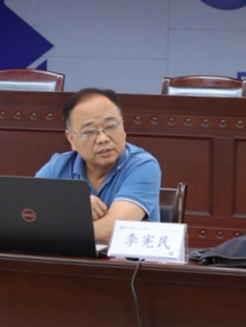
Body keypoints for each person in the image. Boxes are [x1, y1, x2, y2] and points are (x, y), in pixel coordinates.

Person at [36, 88, 161, 243]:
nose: (103, 139)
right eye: (89, 132)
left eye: (110, 126)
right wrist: (74, 207)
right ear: (71, 139)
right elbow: (28, 216)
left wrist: (63, 219)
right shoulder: (58, 167)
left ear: (123, 127)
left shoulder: (143, 166)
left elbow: (111, 231)